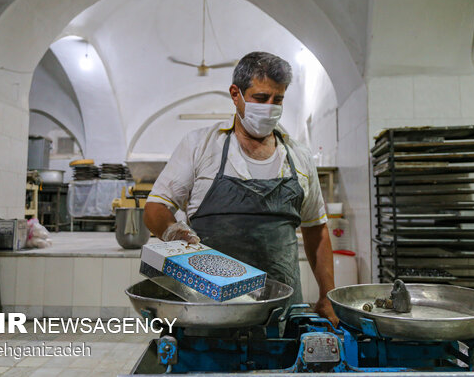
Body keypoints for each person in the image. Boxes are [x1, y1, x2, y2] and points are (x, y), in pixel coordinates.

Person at [144, 51, 338, 326]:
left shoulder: (299, 156)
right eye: (261, 98)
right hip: (208, 309)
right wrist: (172, 230)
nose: (270, 106)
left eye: (278, 99)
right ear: (236, 94)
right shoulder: (200, 146)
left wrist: (327, 295)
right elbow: (155, 208)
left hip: (279, 311)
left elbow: (316, 230)